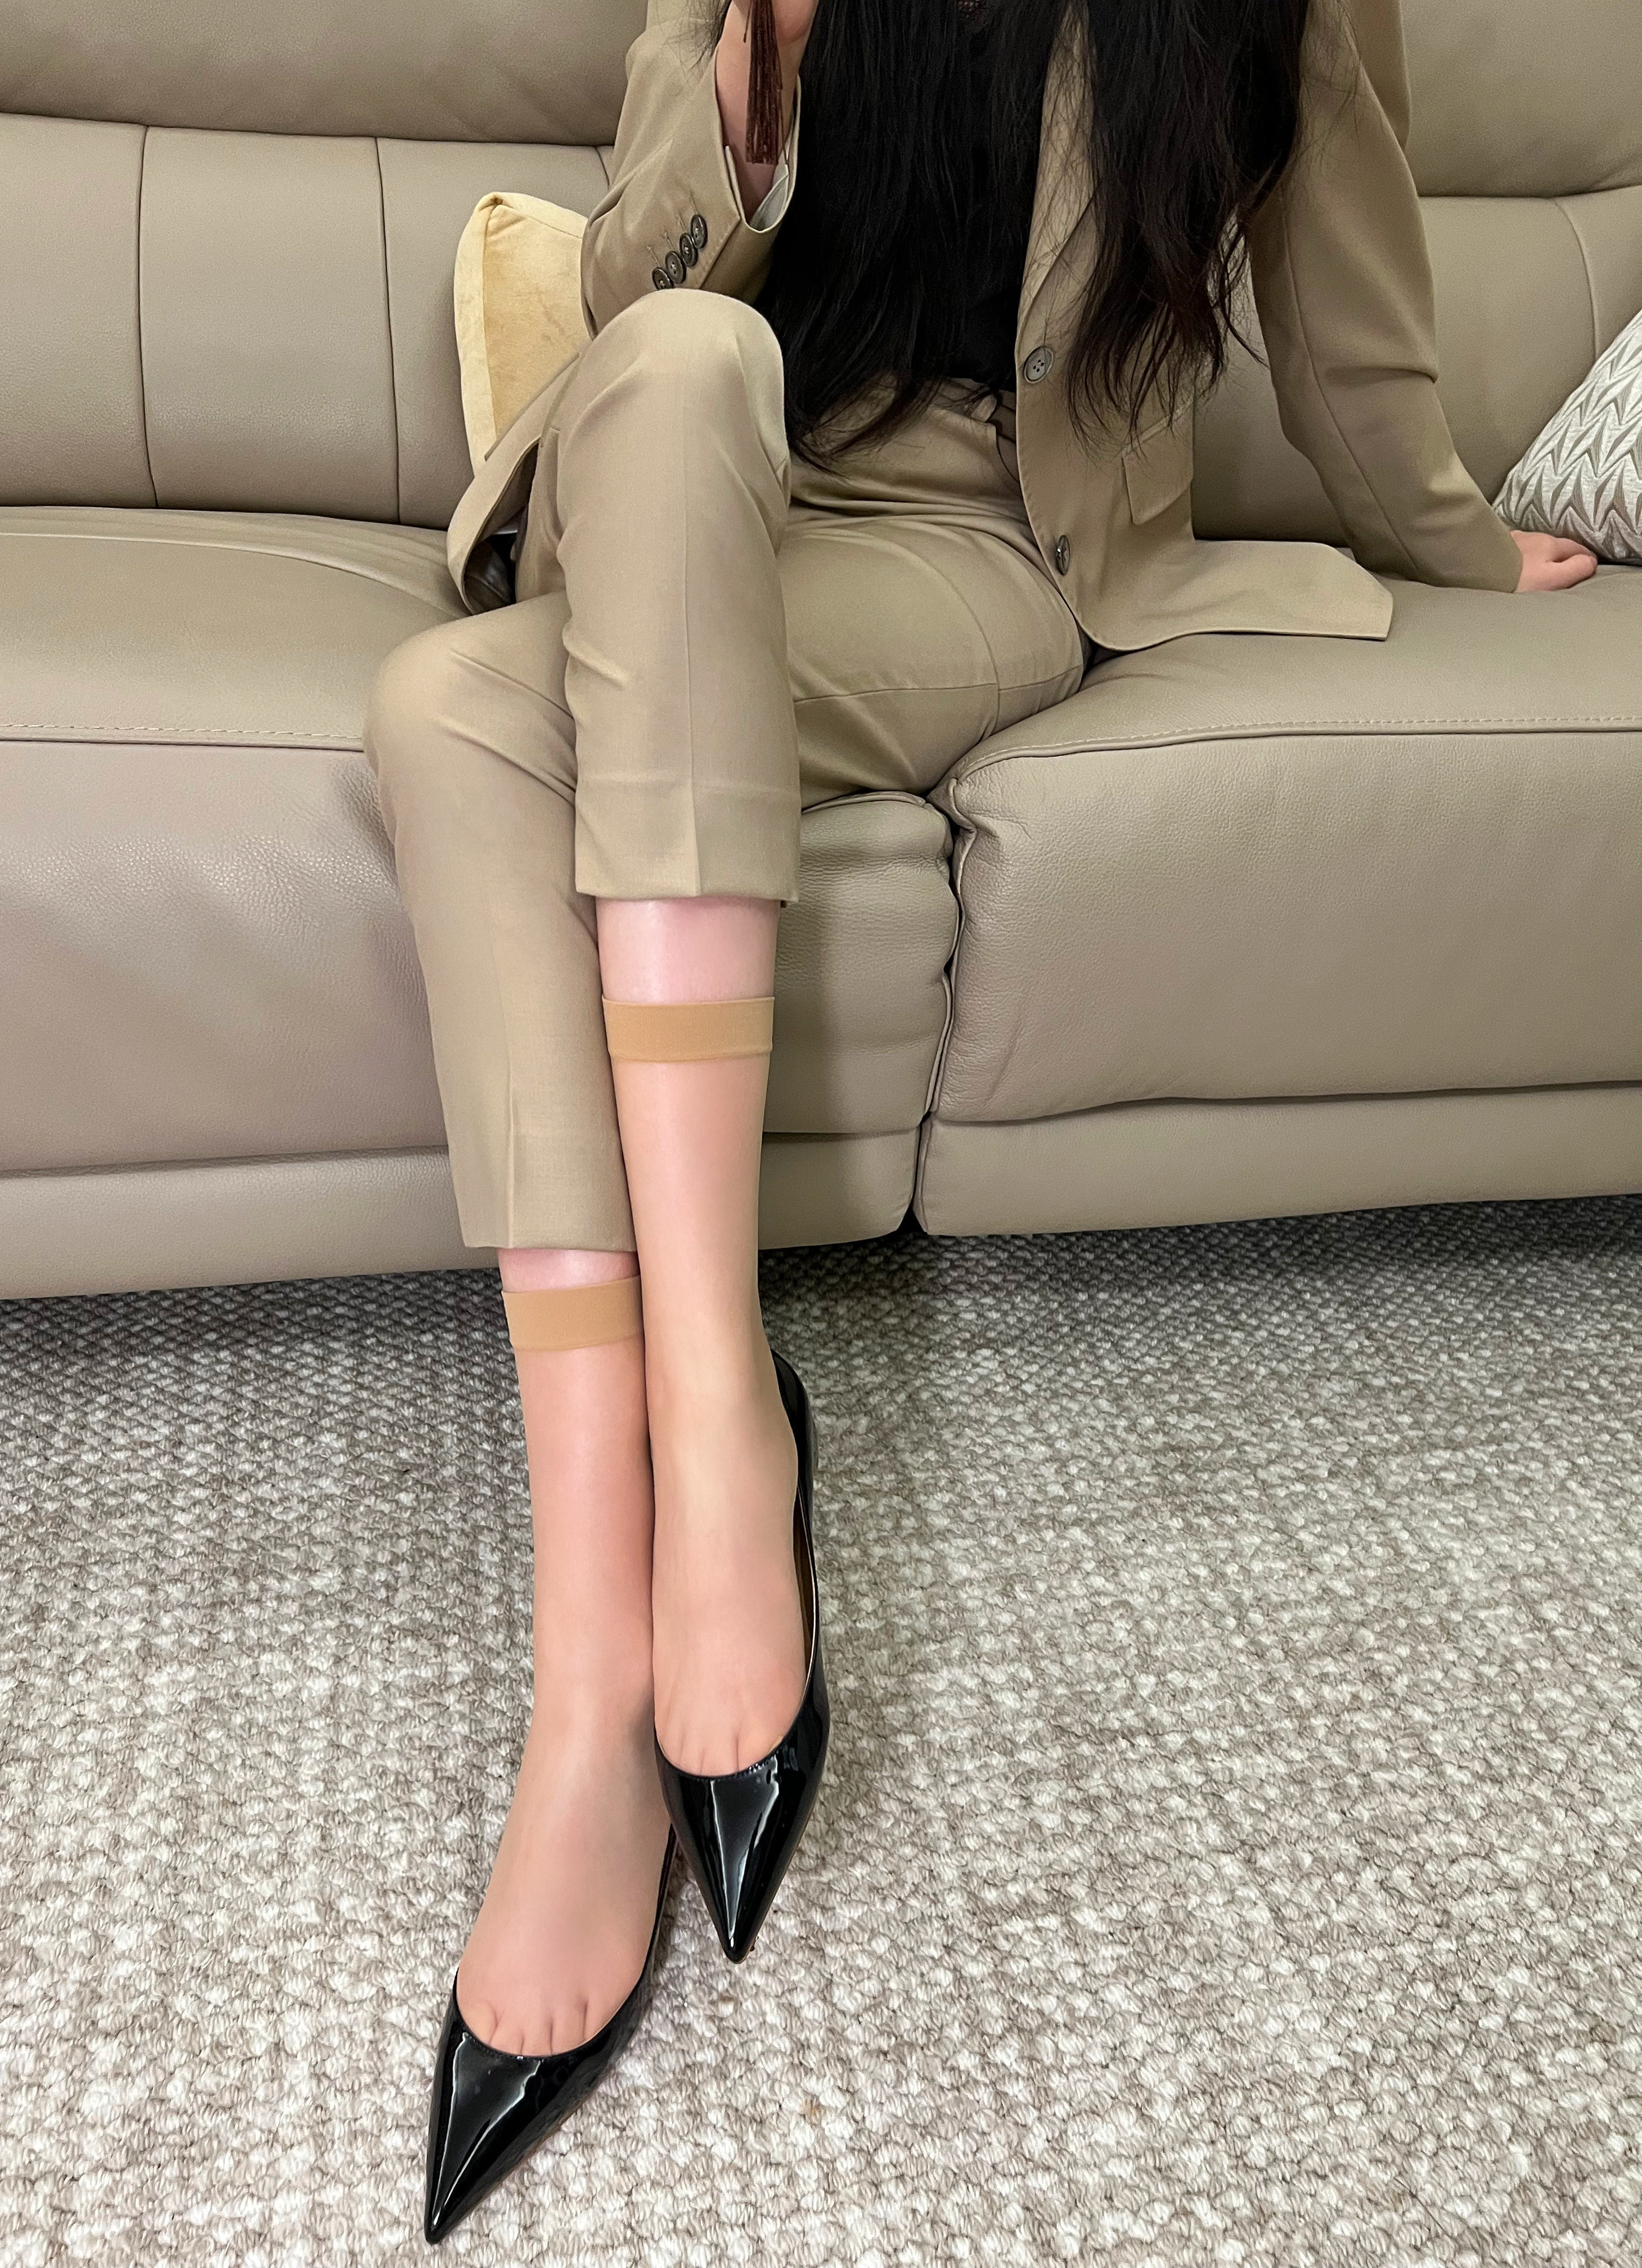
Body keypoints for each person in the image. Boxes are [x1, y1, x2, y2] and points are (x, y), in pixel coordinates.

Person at [366, 0, 1596, 2237]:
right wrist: (751, 84)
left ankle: (657, 1530)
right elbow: (639, 290)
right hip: (690, 486)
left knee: (455, 721)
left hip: (974, 542)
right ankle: (648, 1561)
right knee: (684, 368)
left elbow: (1349, 306)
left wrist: (1452, 535)